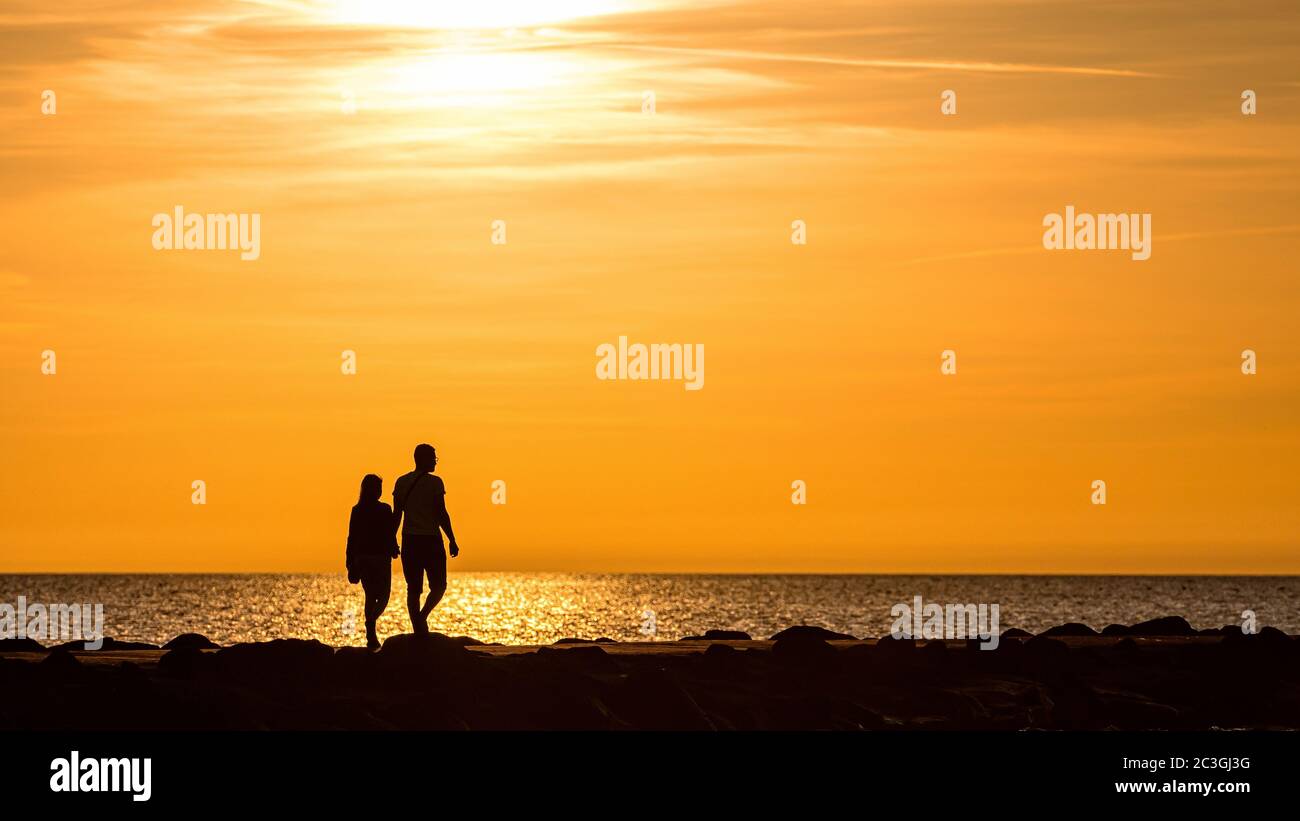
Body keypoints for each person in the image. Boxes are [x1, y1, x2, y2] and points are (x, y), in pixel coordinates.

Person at [392, 443, 460, 635]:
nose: (435, 462)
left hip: (410, 541)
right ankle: (421, 621)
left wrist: (391, 539)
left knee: (413, 589)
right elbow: (441, 513)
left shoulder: (401, 482)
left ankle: (418, 624)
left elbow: (397, 515)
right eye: (433, 458)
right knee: (439, 586)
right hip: (431, 540)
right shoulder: (435, 483)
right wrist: (452, 539)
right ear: (422, 459)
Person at [345, 474, 399, 649]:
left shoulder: (359, 509)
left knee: (371, 595)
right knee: (383, 596)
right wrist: (394, 548)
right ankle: (370, 626)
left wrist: (350, 561)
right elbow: (389, 532)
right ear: (372, 489)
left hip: (365, 558)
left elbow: (351, 538)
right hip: (377, 558)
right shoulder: (383, 509)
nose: (380, 491)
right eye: (378, 487)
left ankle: (371, 632)